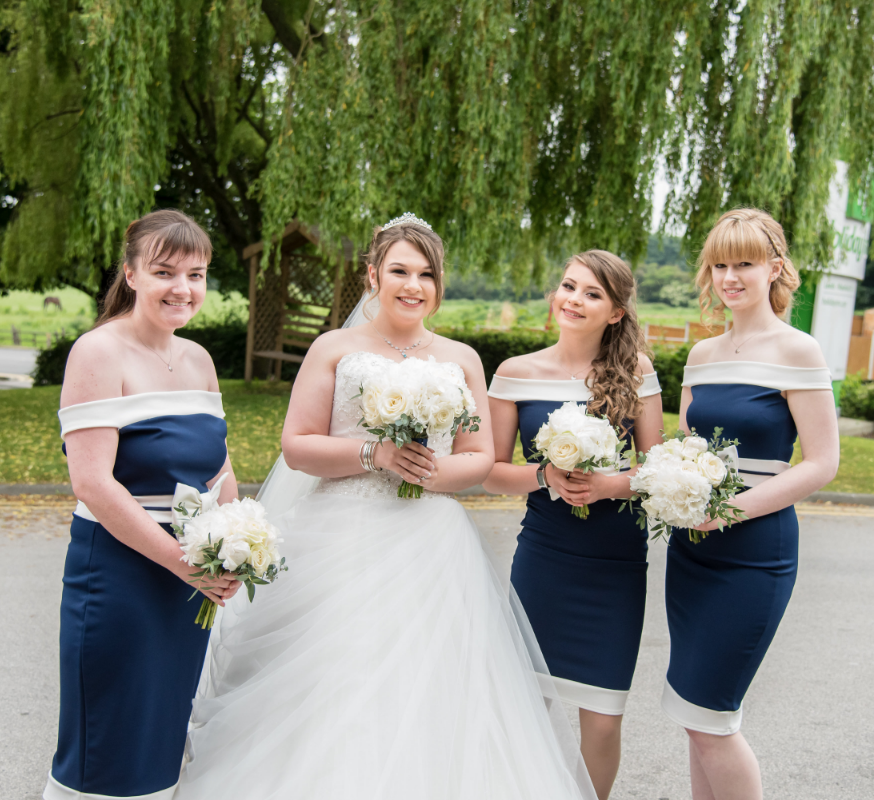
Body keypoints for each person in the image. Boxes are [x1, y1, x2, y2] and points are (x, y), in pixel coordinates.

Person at [175, 214, 596, 800]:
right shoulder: (335, 348)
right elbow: (297, 446)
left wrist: (430, 470)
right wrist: (375, 453)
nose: (413, 285)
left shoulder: (461, 358)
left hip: (431, 544)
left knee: (433, 687)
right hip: (339, 537)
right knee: (338, 679)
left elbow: (479, 456)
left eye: (426, 274)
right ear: (373, 274)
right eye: (399, 270)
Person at [46, 209, 240, 800]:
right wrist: (185, 563)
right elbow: (94, 484)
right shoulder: (98, 352)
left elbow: (221, 467)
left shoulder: (200, 360)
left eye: (197, 274)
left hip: (191, 582)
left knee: (163, 739)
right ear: (131, 274)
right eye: (164, 271)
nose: (183, 288)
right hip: (122, 572)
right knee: (108, 747)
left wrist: (235, 540)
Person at [664, 208, 839, 799]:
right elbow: (687, 448)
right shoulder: (702, 356)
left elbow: (821, 462)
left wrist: (730, 511)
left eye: (744, 262)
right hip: (691, 549)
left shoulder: (799, 351)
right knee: (694, 716)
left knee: (714, 718)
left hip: (754, 552)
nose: (730, 276)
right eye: (719, 264)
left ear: (775, 268)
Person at [482, 250, 663, 800]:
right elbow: (490, 472)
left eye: (591, 293)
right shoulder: (516, 373)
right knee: (527, 706)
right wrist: (544, 475)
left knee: (604, 718)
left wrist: (609, 484)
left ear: (614, 312)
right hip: (545, 557)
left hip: (615, 564)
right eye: (568, 286)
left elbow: (657, 469)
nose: (573, 299)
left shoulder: (637, 374)